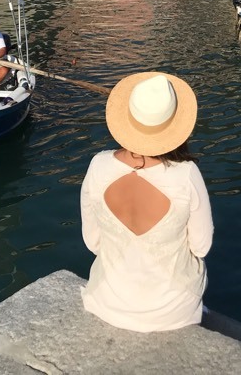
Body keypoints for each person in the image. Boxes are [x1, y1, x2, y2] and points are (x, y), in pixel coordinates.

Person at [80, 71, 213, 332]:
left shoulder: (98, 165)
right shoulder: (186, 175)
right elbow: (201, 247)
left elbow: (92, 242)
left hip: (107, 301)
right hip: (172, 311)